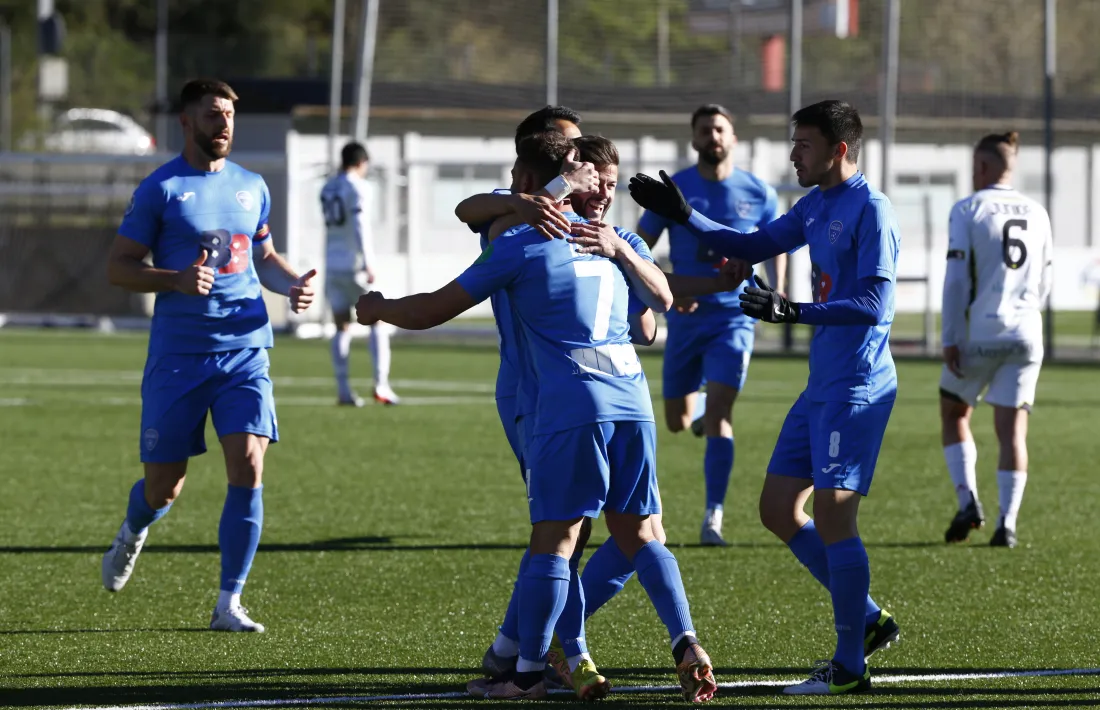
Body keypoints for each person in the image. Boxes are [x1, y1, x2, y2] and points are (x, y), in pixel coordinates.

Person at [358, 131, 718, 702]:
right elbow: (656, 314)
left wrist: (375, 309)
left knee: (555, 541)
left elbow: (432, 309)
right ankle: (685, 641)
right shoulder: (621, 240)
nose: (603, 186)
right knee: (644, 534)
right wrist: (622, 256)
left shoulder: (521, 243)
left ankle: (527, 675)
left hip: (570, 405)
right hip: (633, 402)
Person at [629, 100, 900, 695]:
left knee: (832, 514)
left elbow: (877, 306)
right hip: (822, 386)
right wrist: (684, 214)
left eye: (803, 145)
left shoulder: (870, 210)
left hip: (857, 386)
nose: (793, 154)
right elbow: (751, 245)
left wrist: (792, 310)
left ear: (839, 150)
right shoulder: (814, 205)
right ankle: (870, 617)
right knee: (778, 509)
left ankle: (850, 664)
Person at [101, 79, 317, 632]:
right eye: (213, 115)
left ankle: (229, 603)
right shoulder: (161, 189)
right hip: (180, 355)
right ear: (187, 121)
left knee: (248, 463)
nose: (224, 125)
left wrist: (290, 284)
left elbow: (262, 256)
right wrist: (173, 279)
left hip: (245, 349)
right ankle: (134, 527)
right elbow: (119, 266)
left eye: (229, 115)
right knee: (163, 486)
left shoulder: (252, 186)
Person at [636, 104, 783, 546]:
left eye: (720, 129)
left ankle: (712, 517)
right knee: (679, 419)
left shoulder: (759, 192)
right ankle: (696, 414)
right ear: (694, 139)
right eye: (705, 130)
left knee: (721, 413)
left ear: (733, 137)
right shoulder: (675, 189)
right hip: (686, 316)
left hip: (734, 317)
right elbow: (639, 246)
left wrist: (778, 294)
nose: (713, 136)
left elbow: (777, 246)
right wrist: (665, 291)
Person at [940, 131, 1053, 549]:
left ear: (983, 167)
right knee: (1013, 432)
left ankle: (967, 500)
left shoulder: (968, 209)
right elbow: (1045, 281)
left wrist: (951, 336)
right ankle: (1007, 524)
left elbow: (955, 281)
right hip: (1026, 334)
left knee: (954, 413)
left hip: (979, 333)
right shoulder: (1037, 211)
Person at [320, 141, 399, 407]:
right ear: (361, 162)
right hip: (354, 264)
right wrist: (368, 261)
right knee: (378, 320)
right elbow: (359, 224)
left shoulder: (327, 187)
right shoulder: (359, 187)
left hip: (332, 263)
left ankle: (343, 391)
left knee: (341, 325)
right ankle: (381, 385)